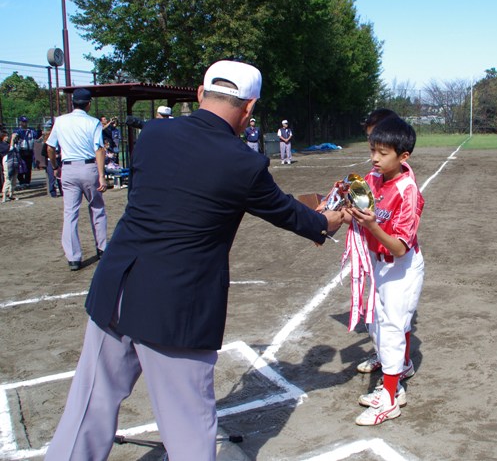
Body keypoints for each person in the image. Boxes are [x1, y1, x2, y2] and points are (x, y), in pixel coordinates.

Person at [44, 60, 343, 461]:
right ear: (249, 108)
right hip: (176, 307)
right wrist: (327, 221)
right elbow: (288, 213)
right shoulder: (243, 161)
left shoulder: (154, 134)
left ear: (201, 94)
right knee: (188, 428)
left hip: (115, 286)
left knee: (88, 408)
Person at [342, 116, 424, 426]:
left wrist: (372, 225)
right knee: (377, 326)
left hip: (401, 268)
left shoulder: (408, 190)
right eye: (372, 150)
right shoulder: (373, 178)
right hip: (379, 265)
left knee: (390, 329)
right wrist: (341, 211)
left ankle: (390, 399)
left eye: (383, 152)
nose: (375, 158)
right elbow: (358, 212)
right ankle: (400, 374)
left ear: (403, 156)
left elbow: (400, 247)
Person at [46, 88, 108, 271]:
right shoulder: (93, 122)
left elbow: (50, 147)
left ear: (73, 102)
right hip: (88, 167)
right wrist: (102, 176)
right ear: (88, 104)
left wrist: (55, 166)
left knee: (70, 213)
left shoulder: (60, 121)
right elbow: (99, 149)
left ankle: (73, 258)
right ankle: (102, 248)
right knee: (97, 208)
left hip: (68, 168)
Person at [13, 115, 38, 188]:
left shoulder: (31, 130)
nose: (25, 123)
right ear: (20, 122)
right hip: (21, 151)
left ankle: (27, 182)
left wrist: (38, 130)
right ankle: (21, 181)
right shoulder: (17, 130)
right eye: (23, 122)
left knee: (28, 167)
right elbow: (17, 135)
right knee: (20, 166)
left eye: (26, 122)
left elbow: (36, 135)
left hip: (29, 150)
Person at [1, 130, 20, 202]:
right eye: (5, 136)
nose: (6, 137)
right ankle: (4, 196)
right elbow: (10, 149)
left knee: (14, 180)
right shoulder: (1, 144)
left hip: (14, 162)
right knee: (8, 179)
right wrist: (12, 139)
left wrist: (14, 139)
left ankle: (11, 195)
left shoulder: (8, 143)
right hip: (7, 163)